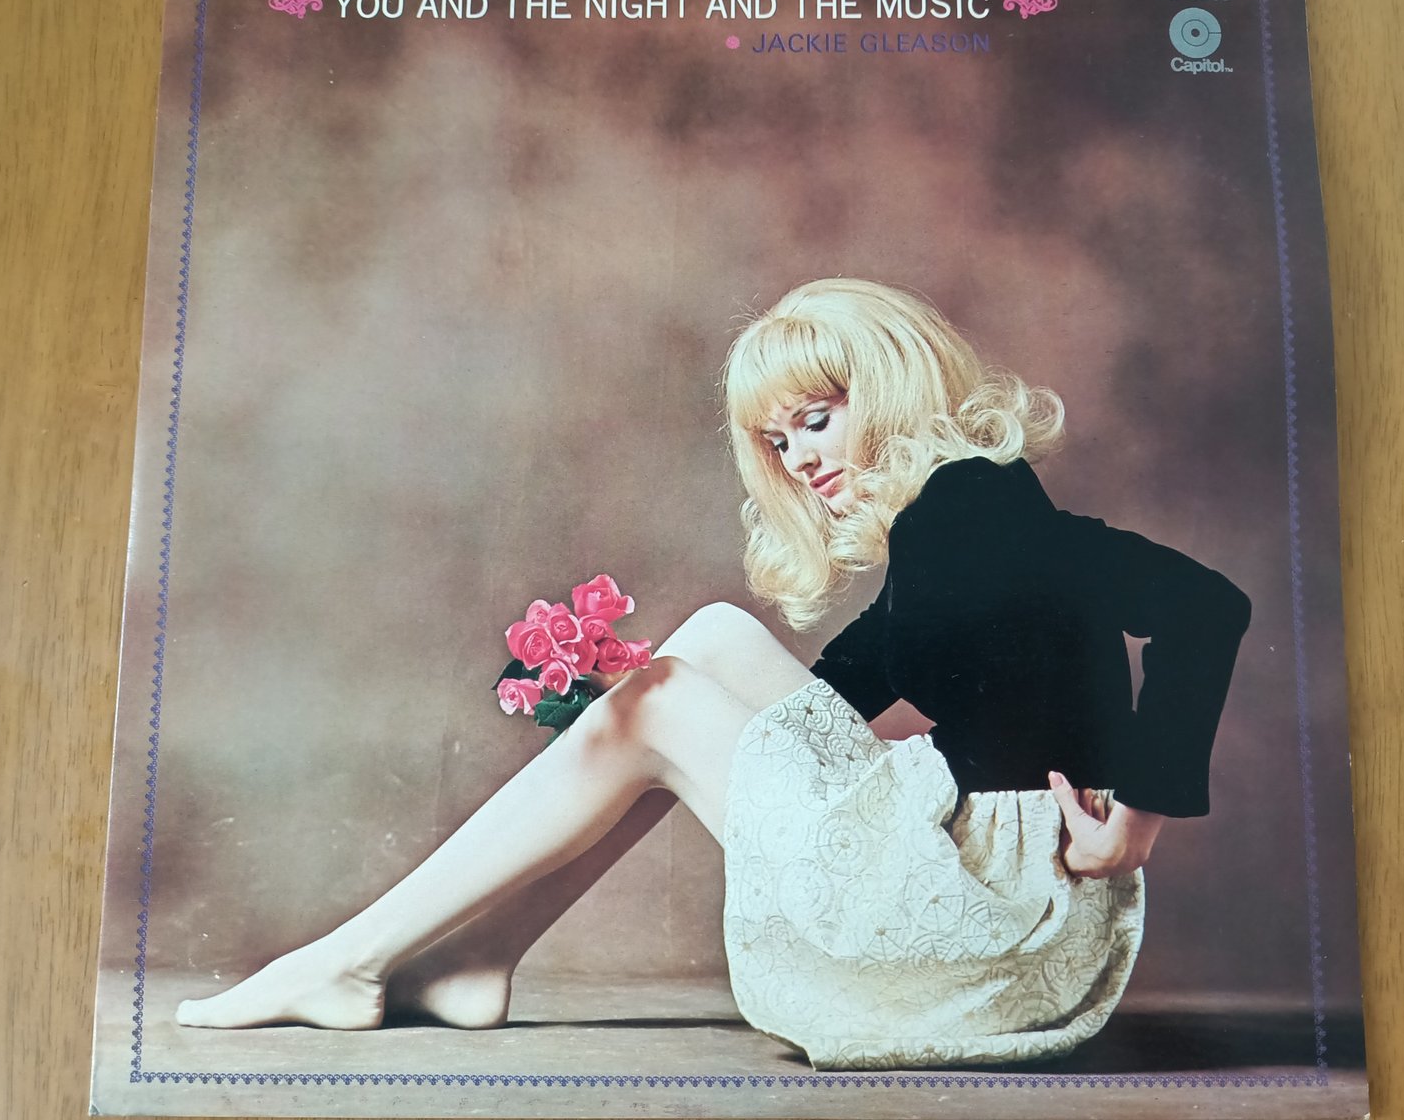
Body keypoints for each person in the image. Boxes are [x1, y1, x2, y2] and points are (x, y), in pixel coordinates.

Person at [176, 278, 1251, 1069]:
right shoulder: (949, 525)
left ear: (892, 386)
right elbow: (825, 705)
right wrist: (620, 712)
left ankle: (351, 961)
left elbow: (1208, 607)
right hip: (998, 898)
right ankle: (478, 958)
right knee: (709, 642)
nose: (801, 460)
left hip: (989, 917)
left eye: (817, 419)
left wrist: (1135, 826)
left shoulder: (975, 509)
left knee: (665, 697)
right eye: (779, 442)